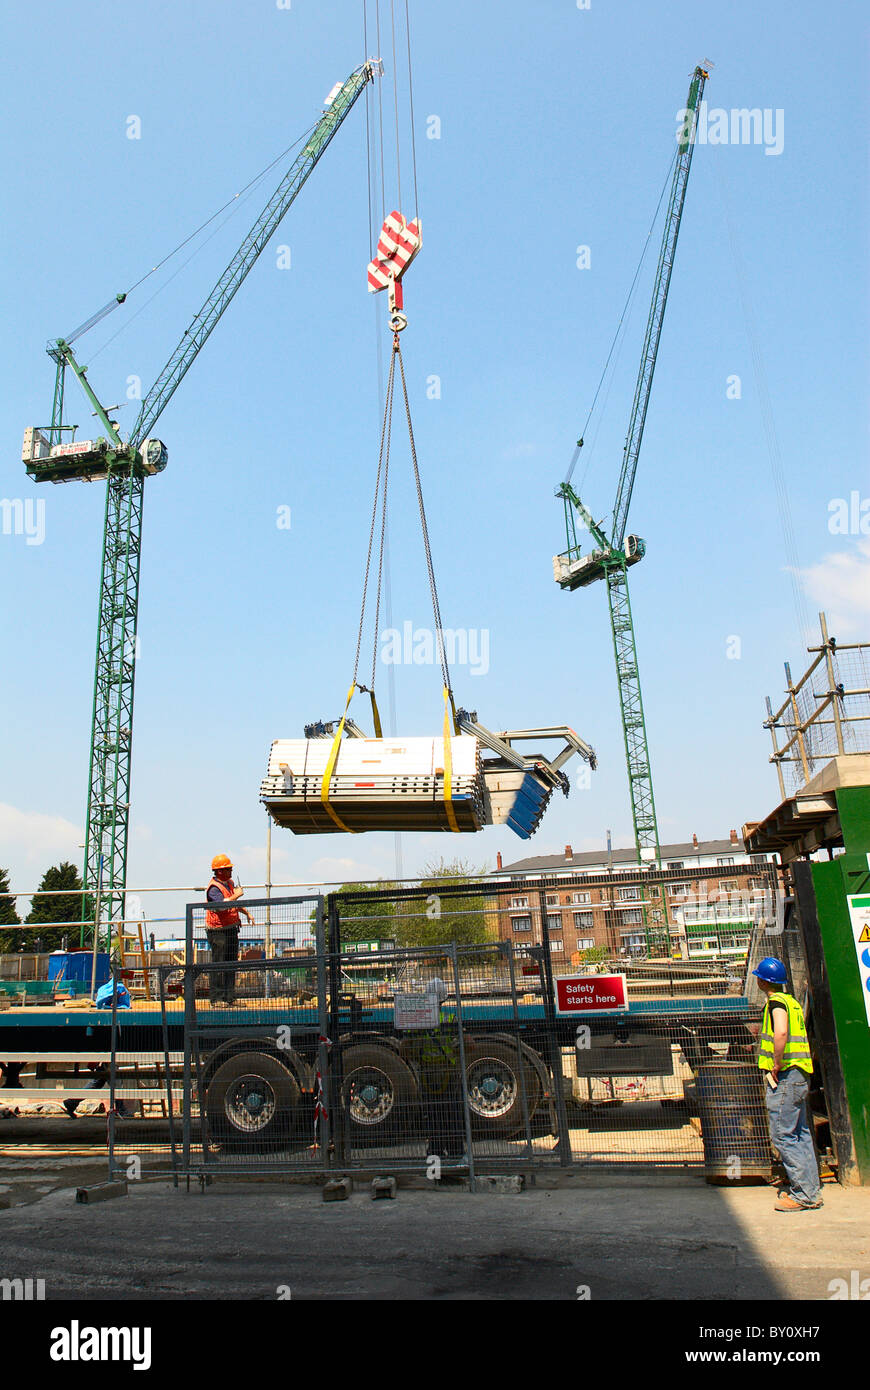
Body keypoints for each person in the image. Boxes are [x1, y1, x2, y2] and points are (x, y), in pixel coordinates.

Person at [753, 956, 822, 1211]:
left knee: (783, 1135)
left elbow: (780, 1032)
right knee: (801, 1134)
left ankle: (803, 1194)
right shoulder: (792, 1002)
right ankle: (811, 1190)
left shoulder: (776, 1003)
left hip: (786, 1076)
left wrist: (776, 1063)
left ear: (763, 981)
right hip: (801, 1075)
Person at [205, 854, 254, 1006]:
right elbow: (221, 905)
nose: (231, 871)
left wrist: (245, 912)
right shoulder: (214, 888)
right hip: (218, 931)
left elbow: (231, 902)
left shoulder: (229, 883)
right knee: (219, 964)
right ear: (219, 871)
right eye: (228, 869)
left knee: (231, 963)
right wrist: (237, 896)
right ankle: (217, 998)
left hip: (231, 928)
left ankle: (229, 997)